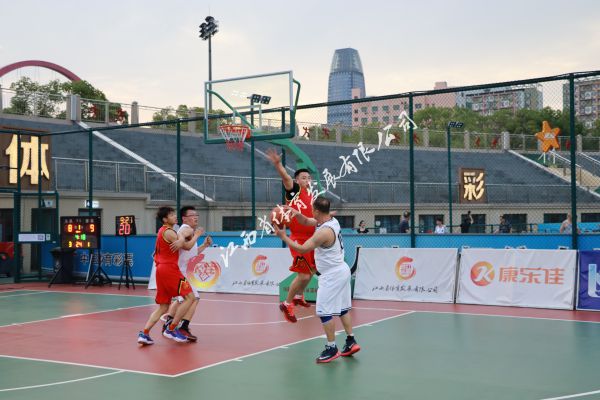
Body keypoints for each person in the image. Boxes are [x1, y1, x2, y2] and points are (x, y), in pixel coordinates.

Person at [275, 197, 360, 363]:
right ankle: (351, 341)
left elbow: (302, 249)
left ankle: (331, 348)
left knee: (323, 311)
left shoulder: (323, 233)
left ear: (317, 211)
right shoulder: (331, 220)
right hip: (342, 270)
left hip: (332, 275)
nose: (311, 212)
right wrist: (296, 213)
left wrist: (284, 237)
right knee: (342, 309)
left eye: (312, 210)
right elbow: (307, 221)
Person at [137, 206, 201, 345]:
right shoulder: (169, 232)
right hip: (169, 269)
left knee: (164, 306)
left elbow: (182, 242)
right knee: (190, 297)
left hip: (160, 269)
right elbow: (187, 246)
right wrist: (196, 235)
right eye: (171, 215)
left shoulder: (162, 231)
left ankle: (144, 333)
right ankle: (171, 329)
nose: (174, 216)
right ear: (165, 219)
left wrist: (181, 238)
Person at [266, 148, 315, 323]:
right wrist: (278, 165)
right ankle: (286, 303)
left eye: (309, 178)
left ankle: (299, 297)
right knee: (303, 275)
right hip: (298, 239)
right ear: (297, 180)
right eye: (304, 178)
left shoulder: (310, 195)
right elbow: (286, 178)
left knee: (311, 272)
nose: (307, 180)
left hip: (311, 239)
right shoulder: (294, 191)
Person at [161, 206, 212, 342]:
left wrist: (204, 245)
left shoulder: (190, 231)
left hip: (178, 271)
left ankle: (169, 324)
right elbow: (183, 236)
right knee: (194, 298)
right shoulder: (186, 229)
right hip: (177, 271)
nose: (195, 217)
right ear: (184, 218)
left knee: (182, 299)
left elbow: (191, 252)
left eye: (197, 215)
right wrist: (182, 239)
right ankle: (181, 327)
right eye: (192, 215)